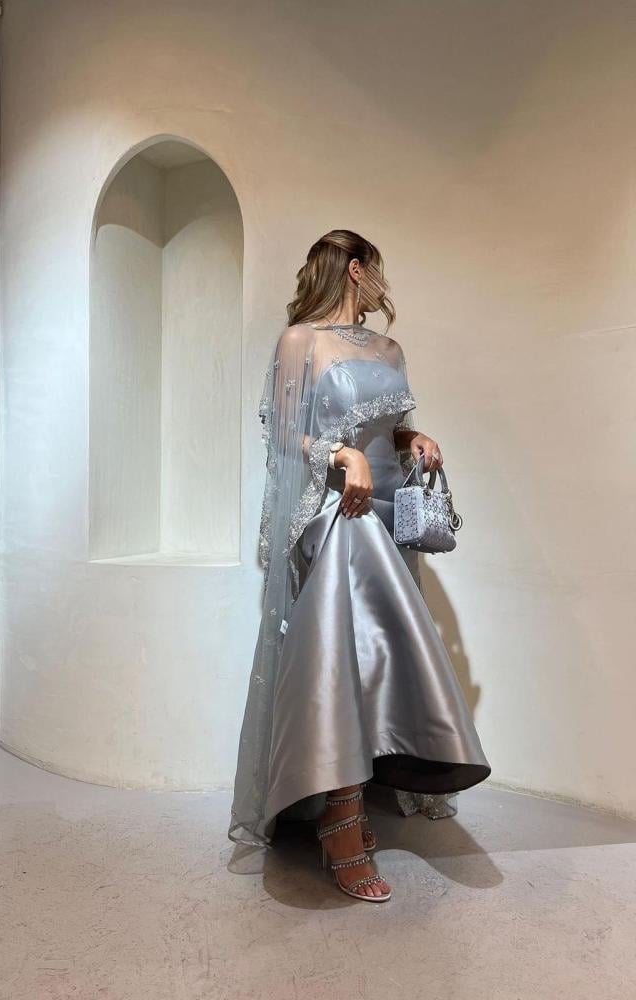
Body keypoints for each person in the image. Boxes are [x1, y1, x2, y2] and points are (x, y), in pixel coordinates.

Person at [228, 229, 491, 902]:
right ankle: (339, 820)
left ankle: (357, 796)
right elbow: (284, 436)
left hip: (387, 511)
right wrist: (341, 455)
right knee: (339, 663)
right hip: (335, 514)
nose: (381, 281)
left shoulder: (390, 350)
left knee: (374, 662)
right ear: (353, 267)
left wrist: (414, 437)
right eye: (375, 268)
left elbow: (389, 427)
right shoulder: (300, 341)